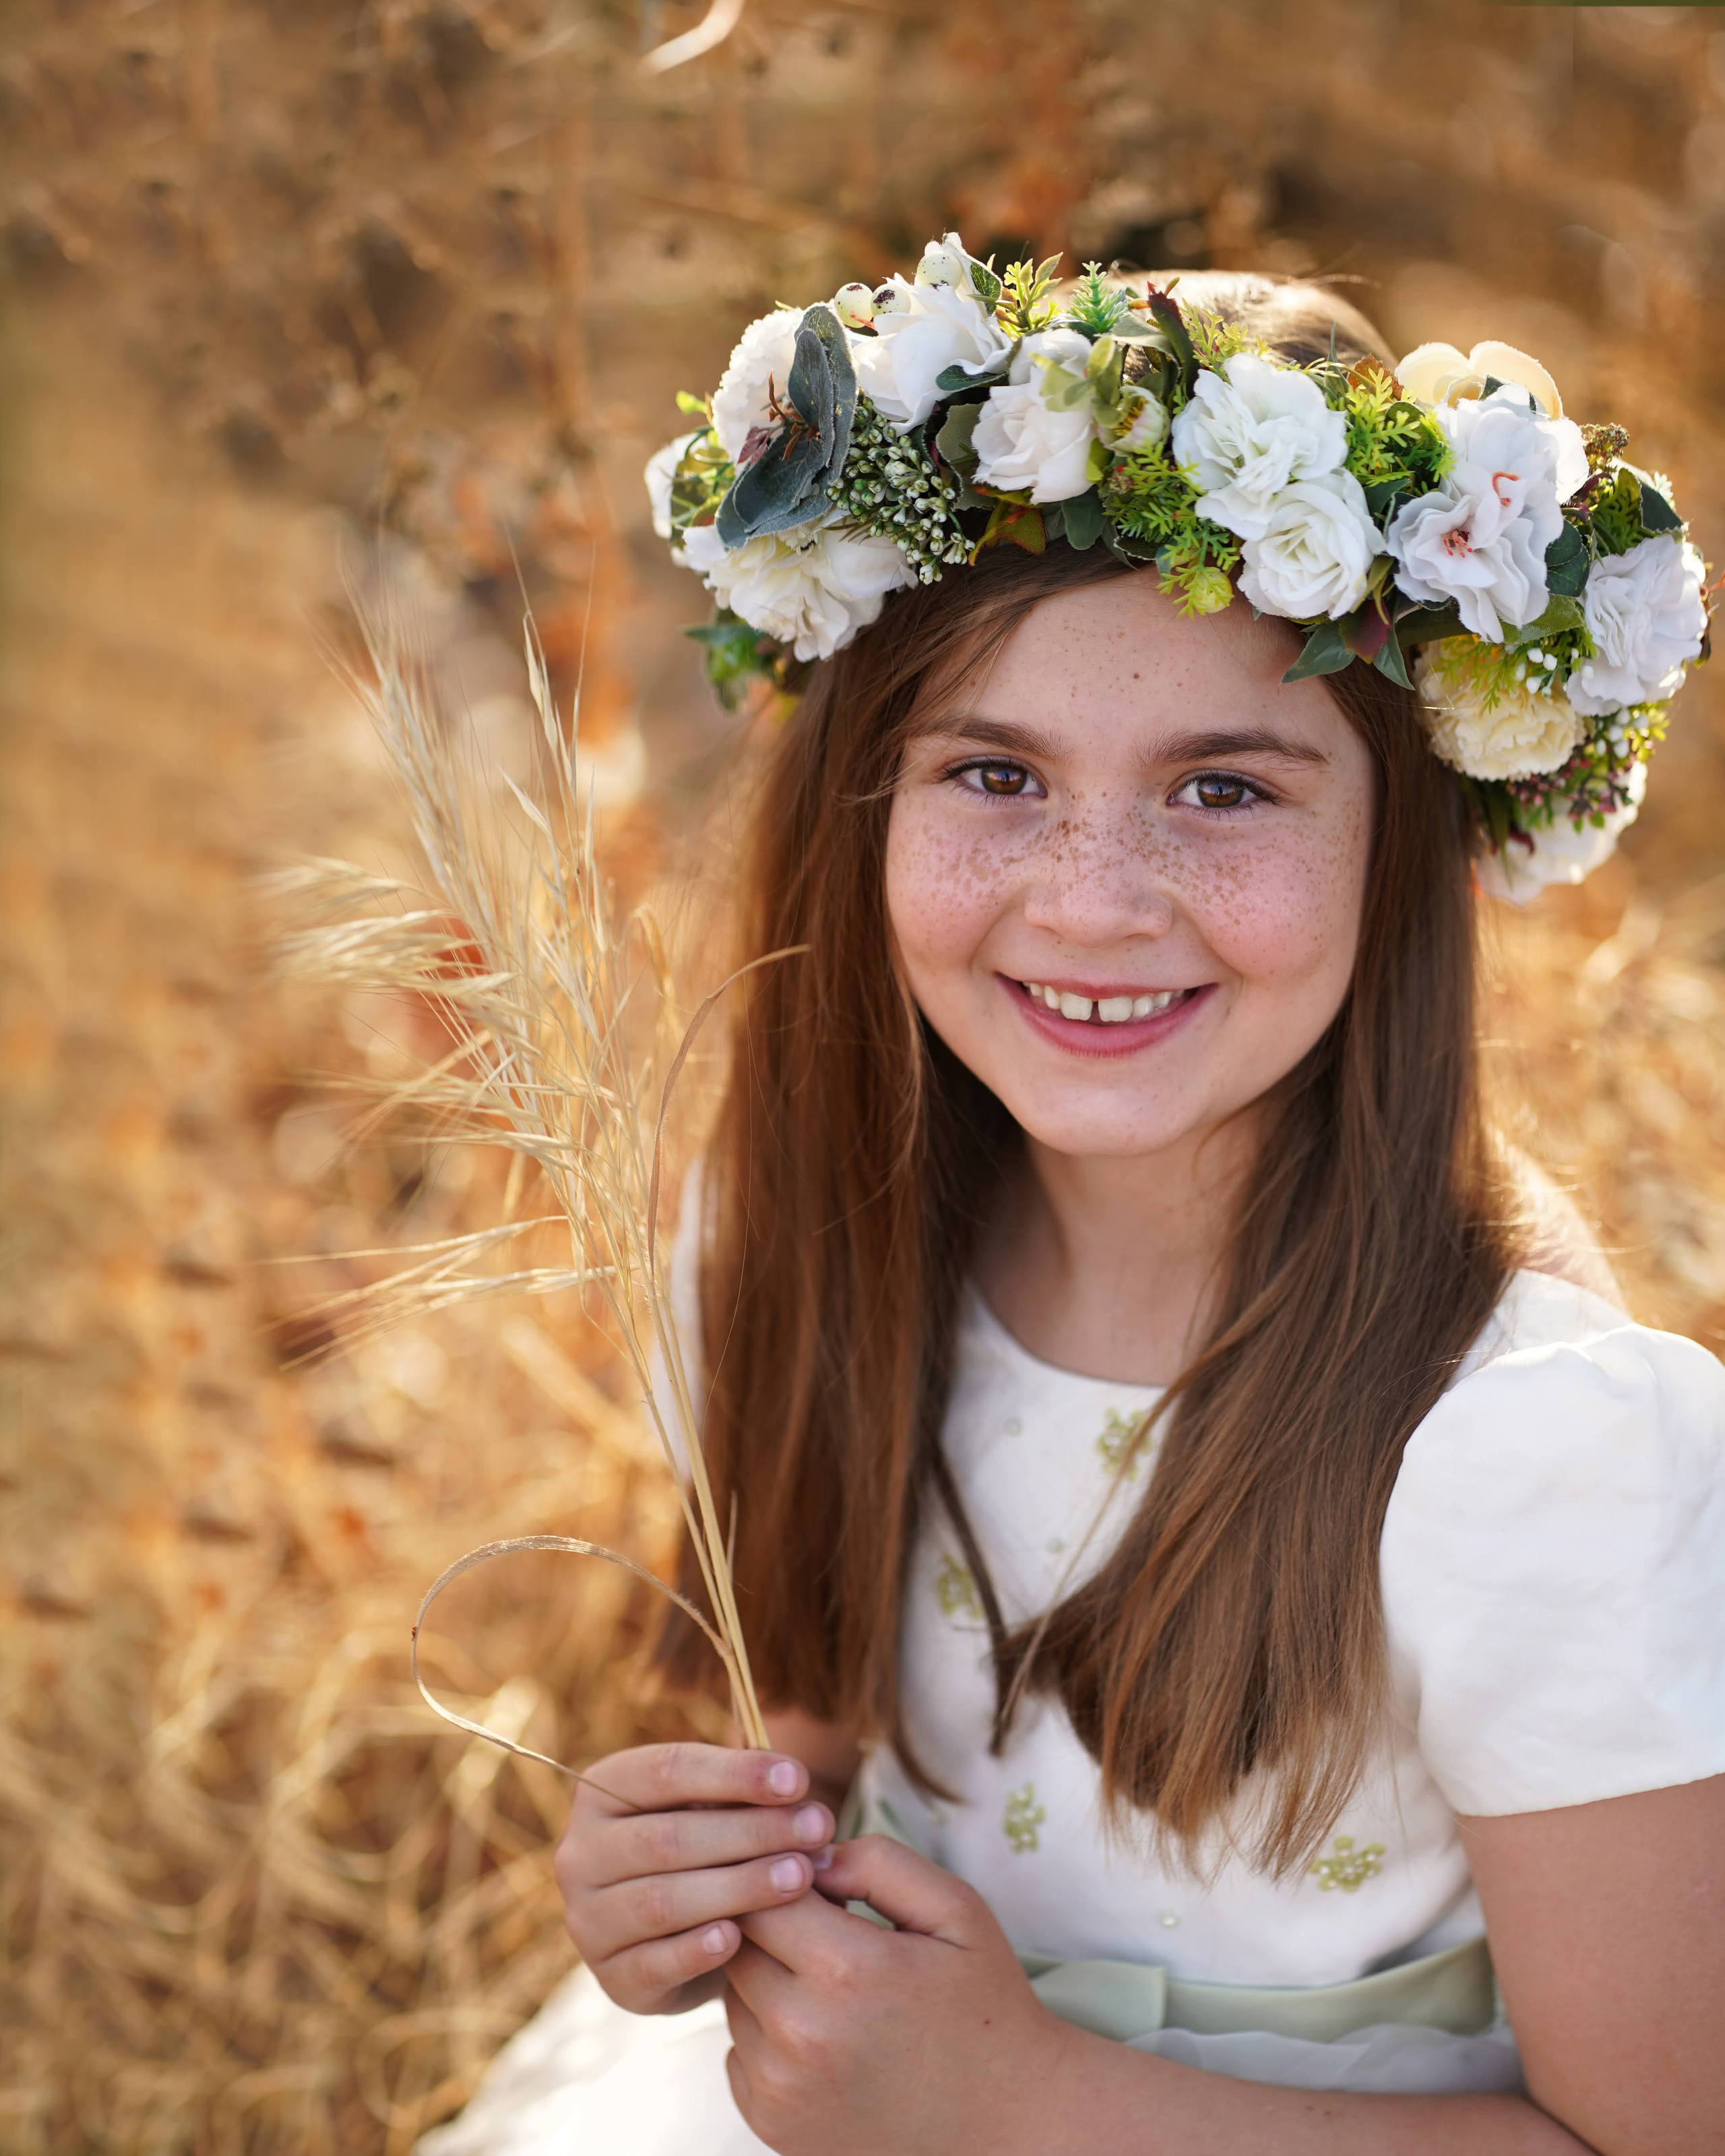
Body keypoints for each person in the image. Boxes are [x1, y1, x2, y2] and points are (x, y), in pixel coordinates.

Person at [420, 260, 1724, 2154]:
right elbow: (797, 1724)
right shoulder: (805, 1253)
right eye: (993, 773)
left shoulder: (1532, 1453)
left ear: (1407, 849)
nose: (1093, 900)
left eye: (1224, 790)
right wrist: (696, 1870)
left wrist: (1025, 2104)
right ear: (865, 811)